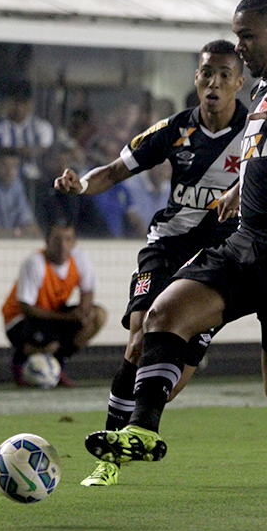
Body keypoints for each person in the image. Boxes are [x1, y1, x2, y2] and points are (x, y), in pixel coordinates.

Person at [82, 0, 267, 507]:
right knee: (163, 314)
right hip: (246, 244)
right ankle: (142, 431)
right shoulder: (264, 89)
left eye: (247, 36)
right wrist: (240, 189)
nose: (239, 46)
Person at [55, 39, 248, 486]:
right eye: (206, 73)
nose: (214, 83)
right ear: (196, 78)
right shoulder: (175, 129)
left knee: (170, 384)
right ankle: (109, 455)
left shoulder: (256, 133)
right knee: (139, 339)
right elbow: (113, 171)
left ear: (239, 82)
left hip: (218, 259)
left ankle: (138, 427)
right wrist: (81, 186)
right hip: (168, 245)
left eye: (224, 75)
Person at [1, 218, 107, 387]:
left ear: (74, 242)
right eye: (57, 240)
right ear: (47, 241)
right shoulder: (35, 263)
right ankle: (21, 360)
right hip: (20, 320)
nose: (63, 245)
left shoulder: (80, 258)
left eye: (68, 239)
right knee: (49, 343)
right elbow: (26, 308)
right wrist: (68, 318)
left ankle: (57, 363)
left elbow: (88, 290)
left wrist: (83, 312)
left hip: (54, 315)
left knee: (97, 316)